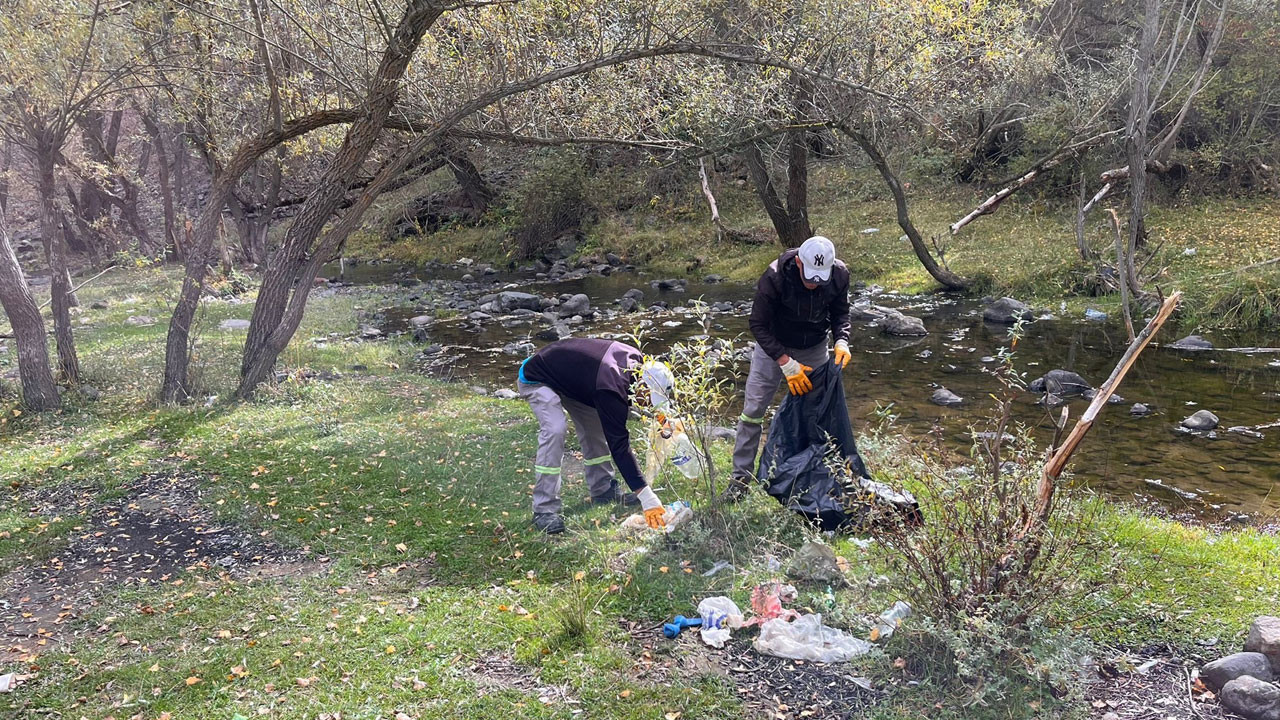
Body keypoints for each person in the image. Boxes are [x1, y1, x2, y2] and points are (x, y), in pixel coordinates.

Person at [723, 235, 852, 502]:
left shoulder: (839, 275)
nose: (815, 285)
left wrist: (841, 340)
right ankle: (739, 482)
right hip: (773, 347)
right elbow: (757, 324)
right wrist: (785, 362)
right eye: (810, 277)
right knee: (752, 412)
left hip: (815, 346)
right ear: (797, 262)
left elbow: (841, 313)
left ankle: (809, 480)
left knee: (816, 413)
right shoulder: (775, 277)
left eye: (820, 278)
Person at [517, 337, 675, 534]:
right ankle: (544, 508)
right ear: (642, 385)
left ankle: (603, 489)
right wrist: (645, 495)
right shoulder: (610, 387)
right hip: (538, 377)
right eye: (649, 399)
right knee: (555, 429)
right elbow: (619, 445)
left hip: (574, 381)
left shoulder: (640, 364)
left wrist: (663, 419)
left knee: (594, 428)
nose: (648, 405)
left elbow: (651, 396)